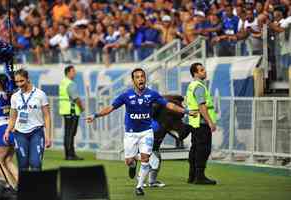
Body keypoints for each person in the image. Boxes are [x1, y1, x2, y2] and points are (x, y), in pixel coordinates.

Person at [87, 68, 189, 196]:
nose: (140, 79)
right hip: (131, 133)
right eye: (137, 77)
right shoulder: (126, 95)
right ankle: (133, 162)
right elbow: (110, 108)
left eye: (142, 76)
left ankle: (139, 186)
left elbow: (169, 105)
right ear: (133, 80)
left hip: (146, 131)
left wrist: (186, 111)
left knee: (146, 159)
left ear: (145, 79)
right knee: (129, 160)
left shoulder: (152, 94)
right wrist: (95, 115)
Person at [3, 69, 51, 172]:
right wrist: (7, 131)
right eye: (17, 82)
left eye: (22, 81)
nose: (19, 84)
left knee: (36, 164)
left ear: (28, 79)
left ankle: (36, 188)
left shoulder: (40, 94)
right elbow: (12, 118)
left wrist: (48, 135)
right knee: (23, 166)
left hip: (36, 132)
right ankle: (25, 188)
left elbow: (47, 116)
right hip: (20, 134)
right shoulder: (15, 97)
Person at [186, 62, 217, 185]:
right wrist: (210, 122)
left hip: (195, 122)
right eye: (202, 70)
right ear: (195, 73)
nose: (205, 72)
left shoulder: (191, 86)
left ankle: (192, 175)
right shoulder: (199, 86)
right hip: (202, 122)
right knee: (203, 150)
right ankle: (200, 177)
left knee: (195, 149)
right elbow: (202, 106)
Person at [59, 65, 85, 160]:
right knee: (71, 133)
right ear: (68, 72)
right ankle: (70, 155)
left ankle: (68, 154)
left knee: (67, 133)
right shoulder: (70, 83)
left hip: (65, 110)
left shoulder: (63, 82)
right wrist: (82, 108)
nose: (75, 73)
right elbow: (76, 98)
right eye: (73, 71)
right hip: (72, 110)